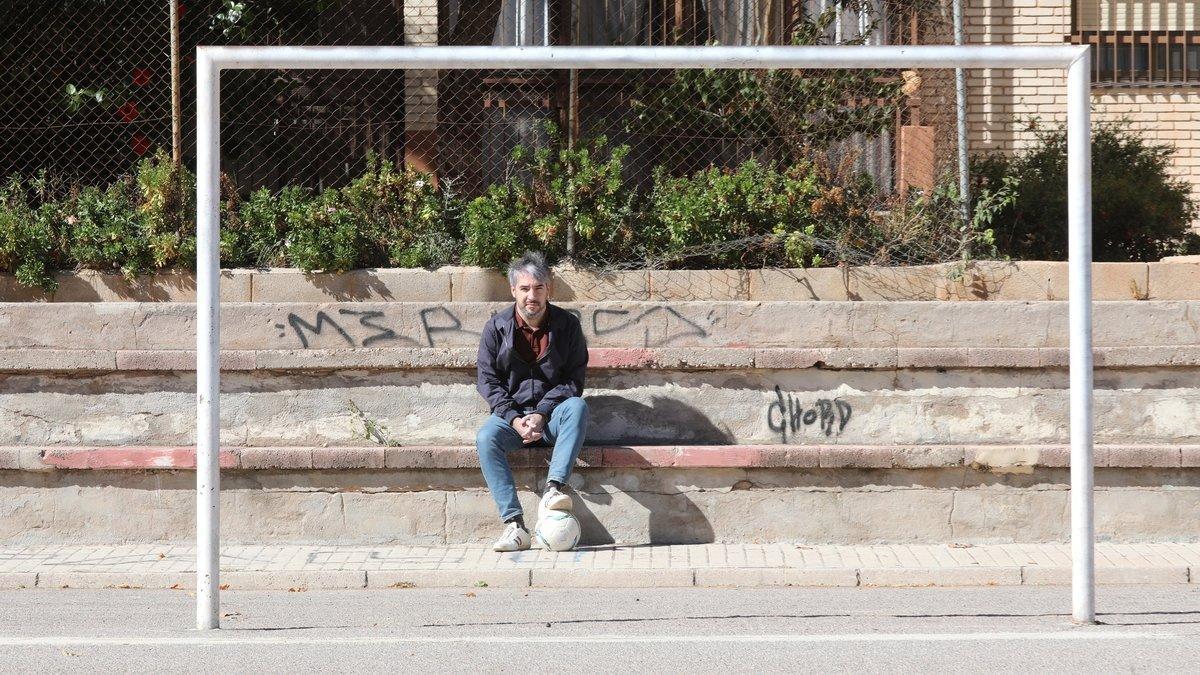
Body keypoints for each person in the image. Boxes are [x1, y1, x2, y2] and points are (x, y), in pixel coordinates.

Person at [475, 251, 590, 552]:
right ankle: (514, 525)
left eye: (538, 288)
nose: (532, 296)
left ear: (548, 289)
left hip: (551, 418)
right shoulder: (496, 328)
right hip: (512, 420)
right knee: (486, 437)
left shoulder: (567, 326)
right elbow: (487, 381)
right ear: (513, 290)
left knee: (577, 407)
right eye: (525, 289)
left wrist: (541, 413)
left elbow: (573, 381)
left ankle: (553, 490)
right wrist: (514, 418)